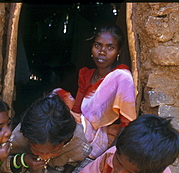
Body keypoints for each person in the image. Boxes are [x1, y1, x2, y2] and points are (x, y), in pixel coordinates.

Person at [53, 24, 137, 160]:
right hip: (83, 130)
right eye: (98, 46)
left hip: (105, 139)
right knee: (55, 95)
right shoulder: (86, 74)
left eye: (110, 47)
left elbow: (127, 124)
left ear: (119, 51)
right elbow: (77, 109)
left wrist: (109, 155)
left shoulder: (121, 78)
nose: (102, 52)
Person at [1, 94, 92, 173]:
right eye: (36, 150)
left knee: (89, 168)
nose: (45, 157)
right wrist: (23, 160)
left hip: (63, 171)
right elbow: (3, 163)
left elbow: (76, 161)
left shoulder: (75, 139)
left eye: (53, 151)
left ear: (65, 140)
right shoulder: (20, 137)